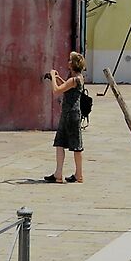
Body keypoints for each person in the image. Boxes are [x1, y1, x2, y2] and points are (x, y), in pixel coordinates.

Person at [45, 52, 88, 183]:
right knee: (77, 146)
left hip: (69, 114)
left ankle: (59, 173)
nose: (68, 62)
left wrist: (53, 77)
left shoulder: (73, 79)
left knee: (60, 142)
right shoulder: (79, 78)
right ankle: (78, 174)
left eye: (70, 60)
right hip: (75, 114)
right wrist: (58, 78)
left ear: (73, 64)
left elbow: (57, 90)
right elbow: (67, 87)